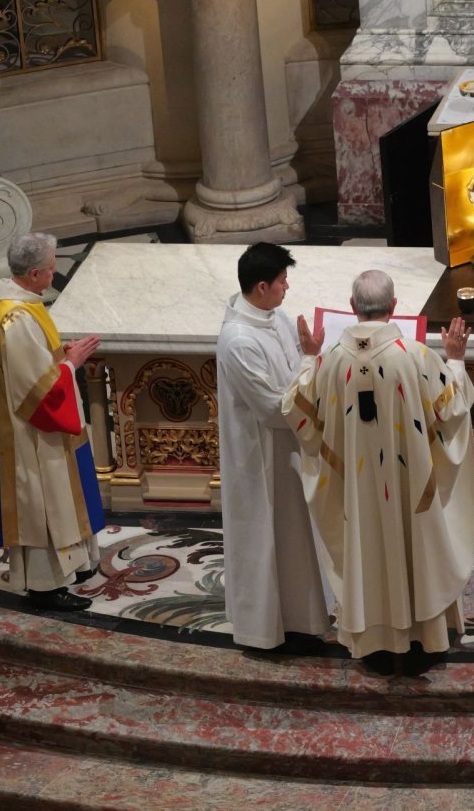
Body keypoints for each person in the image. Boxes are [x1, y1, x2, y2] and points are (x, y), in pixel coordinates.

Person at [283, 270, 474, 677]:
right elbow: (452, 410)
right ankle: (426, 634)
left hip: (357, 492)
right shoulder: (417, 356)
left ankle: (373, 638)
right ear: (394, 307)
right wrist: (456, 360)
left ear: (353, 307)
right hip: (411, 490)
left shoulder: (330, 360)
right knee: (417, 544)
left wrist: (307, 355)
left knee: (365, 545)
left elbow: (297, 409)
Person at [215, 242, 329, 651]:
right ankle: (265, 632)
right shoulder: (239, 341)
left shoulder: (274, 317)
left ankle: (300, 621)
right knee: (266, 539)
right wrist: (313, 364)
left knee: (296, 537)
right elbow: (273, 409)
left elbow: (296, 365)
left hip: (289, 451)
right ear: (261, 286)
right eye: (282, 281)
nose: (287, 287)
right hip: (262, 457)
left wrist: (312, 356)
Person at [0, 232, 104, 612]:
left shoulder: (27, 305)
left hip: (42, 430)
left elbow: (35, 364)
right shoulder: (15, 320)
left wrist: (60, 355)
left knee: (59, 497)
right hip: (30, 436)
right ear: (34, 273)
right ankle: (44, 586)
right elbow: (35, 392)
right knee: (41, 504)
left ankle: (74, 565)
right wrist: (71, 366)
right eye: (51, 268)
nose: (55, 273)